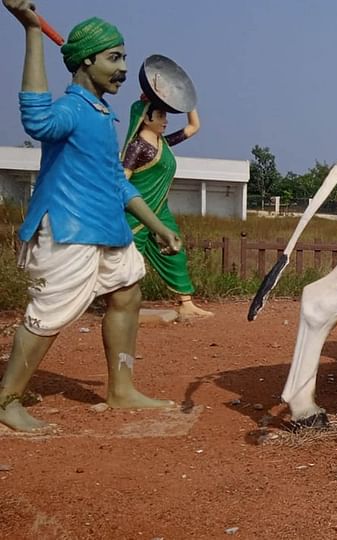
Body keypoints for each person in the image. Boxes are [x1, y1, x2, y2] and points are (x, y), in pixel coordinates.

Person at [0, 1, 183, 432]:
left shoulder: (102, 114)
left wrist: (159, 228)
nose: (123, 68)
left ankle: (121, 389)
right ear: (87, 61)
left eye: (122, 57)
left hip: (107, 229)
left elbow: (117, 184)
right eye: (114, 58)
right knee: (49, 313)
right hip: (69, 229)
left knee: (126, 293)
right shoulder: (71, 109)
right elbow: (38, 121)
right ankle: (7, 401)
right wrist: (31, 31)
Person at [122, 98, 212, 320]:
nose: (166, 121)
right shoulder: (137, 147)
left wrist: (187, 99)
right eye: (160, 116)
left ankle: (186, 303)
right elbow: (122, 181)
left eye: (166, 116)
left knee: (176, 249)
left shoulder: (164, 143)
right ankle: (119, 304)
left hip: (160, 208)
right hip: (137, 212)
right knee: (129, 260)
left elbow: (193, 127)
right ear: (145, 118)